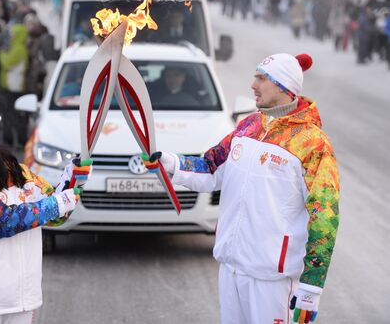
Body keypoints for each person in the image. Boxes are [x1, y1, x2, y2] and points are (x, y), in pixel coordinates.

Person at [145, 53, 340, 324]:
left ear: (284, 87)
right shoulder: (248, 126)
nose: (253, 84)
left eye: (261, 78)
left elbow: (325, 216)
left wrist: (311, 286)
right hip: (232, 268)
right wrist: (170, 162)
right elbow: (211, 168)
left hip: (273, 280)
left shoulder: (312, 144)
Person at [0, 97, 92, 323]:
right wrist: (57, 203)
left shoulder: (21, 175)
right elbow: (0, 222)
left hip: (22, 298)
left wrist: (74, 180)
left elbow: (56, 216)